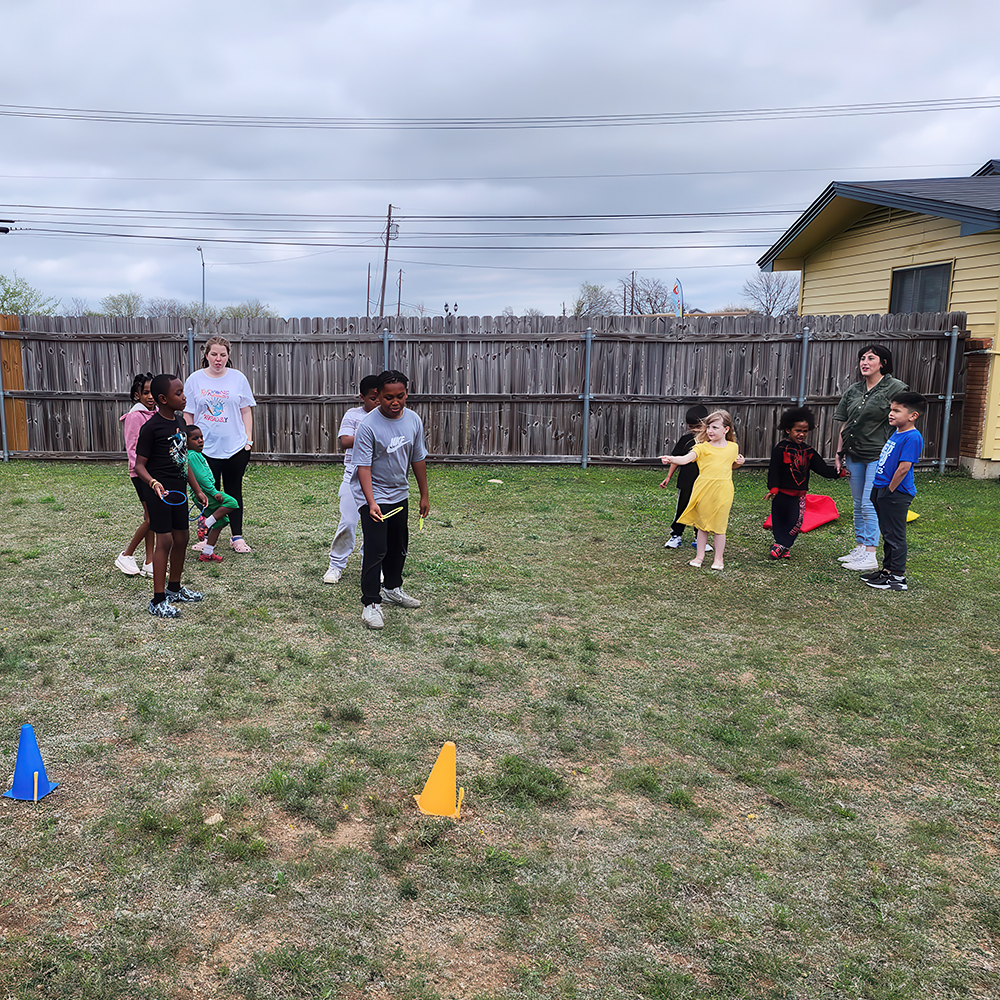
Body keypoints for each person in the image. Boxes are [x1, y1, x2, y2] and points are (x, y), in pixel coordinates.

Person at [352, 369, 430, 629]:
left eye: (401, 396)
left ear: (407, 394)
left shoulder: (413, 420)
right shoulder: (368, 426)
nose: (395, 402)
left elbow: (417, 458)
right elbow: (363, 466)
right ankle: (371, 603)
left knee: (398, 545)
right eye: (388, 398)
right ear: (377, 396)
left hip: (399, 494)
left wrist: (424, 494)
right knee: (376, 550)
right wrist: (371, 502)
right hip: (373, 495)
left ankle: (392, 588)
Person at [134, 374, 206, 618]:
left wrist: (196, 489)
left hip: (179, 491)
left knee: (182, 538)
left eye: (183, 392)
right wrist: (153, 483)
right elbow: (139, 465)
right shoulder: (150, 428)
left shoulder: (180, 423)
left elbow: (184, 461)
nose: (184, 397)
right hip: (159, 492)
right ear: (163, 399)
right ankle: (158, 599)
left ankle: (174, 588)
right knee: (164, 540)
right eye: (179, 393)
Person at [833, 345, 907, 573]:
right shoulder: (853, 390)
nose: (864, 362)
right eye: (862, 358)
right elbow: (844, 424)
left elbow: (904, 419)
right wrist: (838, 453)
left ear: (883, 362)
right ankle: (860, 547)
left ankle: (870, 554)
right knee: (858, 504)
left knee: (869, 503)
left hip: (878, 455)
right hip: (854, 454)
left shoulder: (895, 387)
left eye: (870, 358)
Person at [182, 336, 256, 554]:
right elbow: (189, 413)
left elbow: (246, 410)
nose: (218, 359)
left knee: (234, 492)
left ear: (228, 356)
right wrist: (190, 443)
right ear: (206, 355)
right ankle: (205, 537)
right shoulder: (195, 380)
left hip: (235, 448)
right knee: (205, 493)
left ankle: (237, 537)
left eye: (223, 354)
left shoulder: (238, 378)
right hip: (205, 450)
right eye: (214, 354)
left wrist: (248, 440)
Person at [661, 409, 745, 571]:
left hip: (723, 490)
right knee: (702, 525)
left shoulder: (733, 447)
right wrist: (672, 459)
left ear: (726, 429)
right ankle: (699, 557)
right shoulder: (702, 447)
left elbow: (730, 465)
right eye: (708, 427)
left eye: (714, 427)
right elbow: (686, 459)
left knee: (720, 526)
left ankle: (718, 560)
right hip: (703, 489)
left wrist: (740, 462)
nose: (710, 431)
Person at [861, 392, 925, 592]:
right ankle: (887, 571)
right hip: (881, 489)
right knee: (888, 533)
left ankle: (897, 578)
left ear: (913, 415)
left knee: (895, 536)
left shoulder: (912, 437)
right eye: (891, 409)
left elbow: (904, 467)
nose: (891, 414)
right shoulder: (896, 433)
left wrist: (889, 490)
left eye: (897, 410)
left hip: (896, 493)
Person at [324, 375, 381, 583]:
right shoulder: (353, 415)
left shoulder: (389, 417)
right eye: (372, 398)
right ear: (362, 397)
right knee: (348, 522)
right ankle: (336, 565)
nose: (377, 402)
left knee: (375, 526)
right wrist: (373, 436)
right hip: (353, 478)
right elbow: (346, 441)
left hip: (379, 481)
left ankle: (373, 564)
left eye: (380, 398)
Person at [766, 405, 841, 559]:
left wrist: (839, 474)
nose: (801, 434)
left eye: (805, 431)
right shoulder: (780, 449)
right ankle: (781, 545)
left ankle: (782, 545)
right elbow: (774, 469)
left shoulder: (809, 452)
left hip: (798, 497)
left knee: (795, 523)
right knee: (779, 521)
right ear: (788, 430)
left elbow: (822, 469)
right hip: (781, 495)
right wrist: (773, 488)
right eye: (798, 430)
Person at [114, 372, 156, 577]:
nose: (150, 396)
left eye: (153, 392)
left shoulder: (156, 414)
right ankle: (127, 554)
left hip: (155, 474)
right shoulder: (135, 416)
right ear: (136, 395)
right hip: (141, 474)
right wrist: (143, 474)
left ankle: (149, 562)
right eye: (145, 393)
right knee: (153, 516)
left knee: (150, 516)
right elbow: (132, 448)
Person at [184, 425, 239, 563]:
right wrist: (214, 492)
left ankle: (207, 553)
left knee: (221, 522)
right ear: (186, 443)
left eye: (201, 437)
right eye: (195, 438)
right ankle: (205, 523)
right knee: (233, 502)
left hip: (205, 492)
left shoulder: (196, 454)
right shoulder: (192, 456)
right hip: (205, 493)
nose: (200, 440)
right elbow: (201, 477)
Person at [660, 404, 710, 550]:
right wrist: (669, 476)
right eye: (692, 427)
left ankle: (699, 539)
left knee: (701, 511)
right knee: (682, 508)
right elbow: (675, 459)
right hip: (686, 482)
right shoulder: (686, 440)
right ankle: (676, 535)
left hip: (704, 482)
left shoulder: (710, 441)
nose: (694, 430)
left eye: (697, 427)